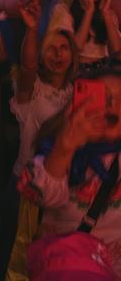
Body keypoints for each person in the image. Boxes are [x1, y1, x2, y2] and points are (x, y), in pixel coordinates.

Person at [17, 67, 121, 276]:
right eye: (104, 97)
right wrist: (65, 145)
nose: (113, 104)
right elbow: (40, 195)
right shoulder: (58, 147)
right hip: (62, 270)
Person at [11, 0, 77, 179]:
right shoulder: (32, 89)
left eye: (64, 47)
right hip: (28, 183)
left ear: (72, 55)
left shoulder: (75, 92)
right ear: (40, 55)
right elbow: (27, 67)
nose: (58, 54)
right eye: (51, 48)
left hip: (60, 183)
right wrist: (32, 29)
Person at [48, 0, 121, 68]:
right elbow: (76, 47)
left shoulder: (107, 13)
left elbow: (116, 49)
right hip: (77, 69)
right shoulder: (63, 10)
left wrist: (105, 13)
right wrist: (89, 12)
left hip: (103, 70)